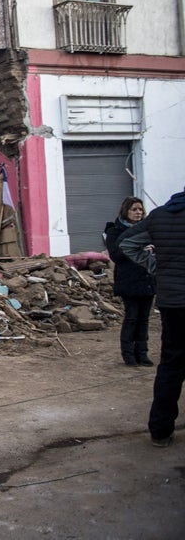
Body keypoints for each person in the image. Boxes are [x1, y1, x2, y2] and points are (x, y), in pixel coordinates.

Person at [121, 186, 185, 448]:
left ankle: (160, 431)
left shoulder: (159, 216)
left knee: (171, 365)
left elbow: (127, 243)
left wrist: (156, 266)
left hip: (172, 303)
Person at [104, 197, 155, 366]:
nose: (138, 213)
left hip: (146, 279)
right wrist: (135, 248)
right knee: (132, 317)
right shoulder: (115, 231)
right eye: (134, 209)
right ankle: (128, 355)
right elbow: (116, 256)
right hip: (128, 280)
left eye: (140, 209)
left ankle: (142, 353)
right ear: (126, 211)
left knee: (144, 319)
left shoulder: (147, 230)